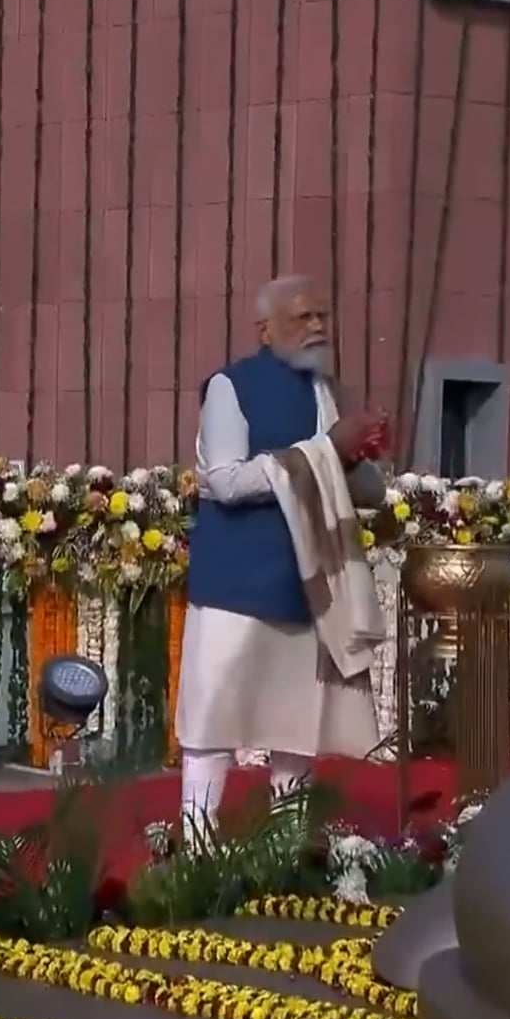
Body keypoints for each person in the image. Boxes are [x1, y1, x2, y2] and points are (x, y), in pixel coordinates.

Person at [176, 275, 392, 845]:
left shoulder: (325, 392)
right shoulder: (230, 386)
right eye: (302, 317)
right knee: (211, 722)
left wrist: (356, 458)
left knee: (294, 728)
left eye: (323, 315)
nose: (317, 326)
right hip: (234, 584)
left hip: (305, 582)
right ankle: (196, 854)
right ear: (265, 331)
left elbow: (362, 489)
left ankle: (285, 850)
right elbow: (225, 481)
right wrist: (328, 450)